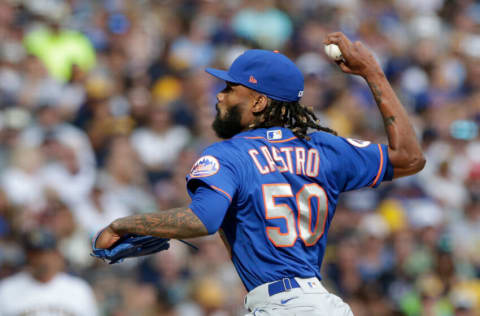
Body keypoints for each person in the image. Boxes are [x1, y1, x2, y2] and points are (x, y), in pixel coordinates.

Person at [94, 32, 425, 315]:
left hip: (281, 306)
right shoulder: (324, 148)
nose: (219, 96)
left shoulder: (229, 154)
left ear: (258, 103)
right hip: (323, 304)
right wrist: (373, 73)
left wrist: (123, 223)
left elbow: (204, 219)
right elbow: (410, 157)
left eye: (230, 88)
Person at [0, 229, 99, 316]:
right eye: (34, 254)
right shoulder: (6, 289)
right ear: (27, 256)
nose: (40, 259)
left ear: (56, 254)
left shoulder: (79, 289)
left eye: (44, 253)